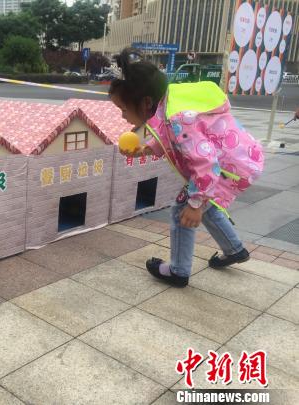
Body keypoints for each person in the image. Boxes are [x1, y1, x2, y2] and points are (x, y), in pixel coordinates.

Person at [109, 48, 264, 287]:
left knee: (184, 210)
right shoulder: (169, 103)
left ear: (146, 102)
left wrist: (194, 204)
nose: (122, 116)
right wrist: (146, 149)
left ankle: (178, 271)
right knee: (207, 207)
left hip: (226, 168)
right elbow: (169, 137)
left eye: (124, 109)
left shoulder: (179, 118)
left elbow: (206, 163)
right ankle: (235, 250)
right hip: (238, 160)